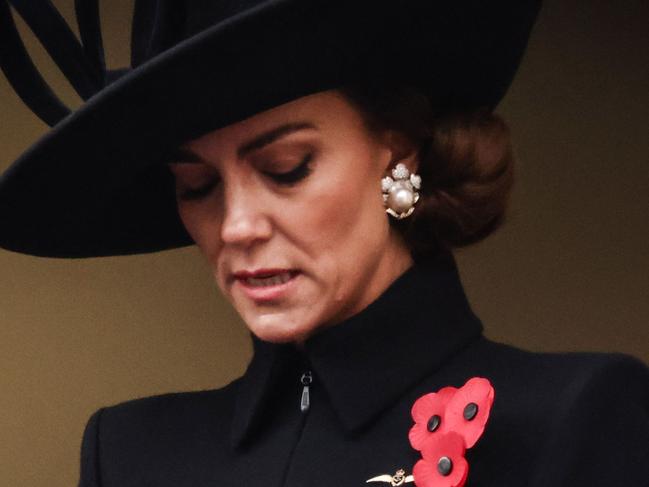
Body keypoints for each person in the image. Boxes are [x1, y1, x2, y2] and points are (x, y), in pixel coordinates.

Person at [1, 1, 648, 487]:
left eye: (287, 167)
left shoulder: (576, 414)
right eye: (197, 184)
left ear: (397, 153)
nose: (236, 225)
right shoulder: (130, 453)